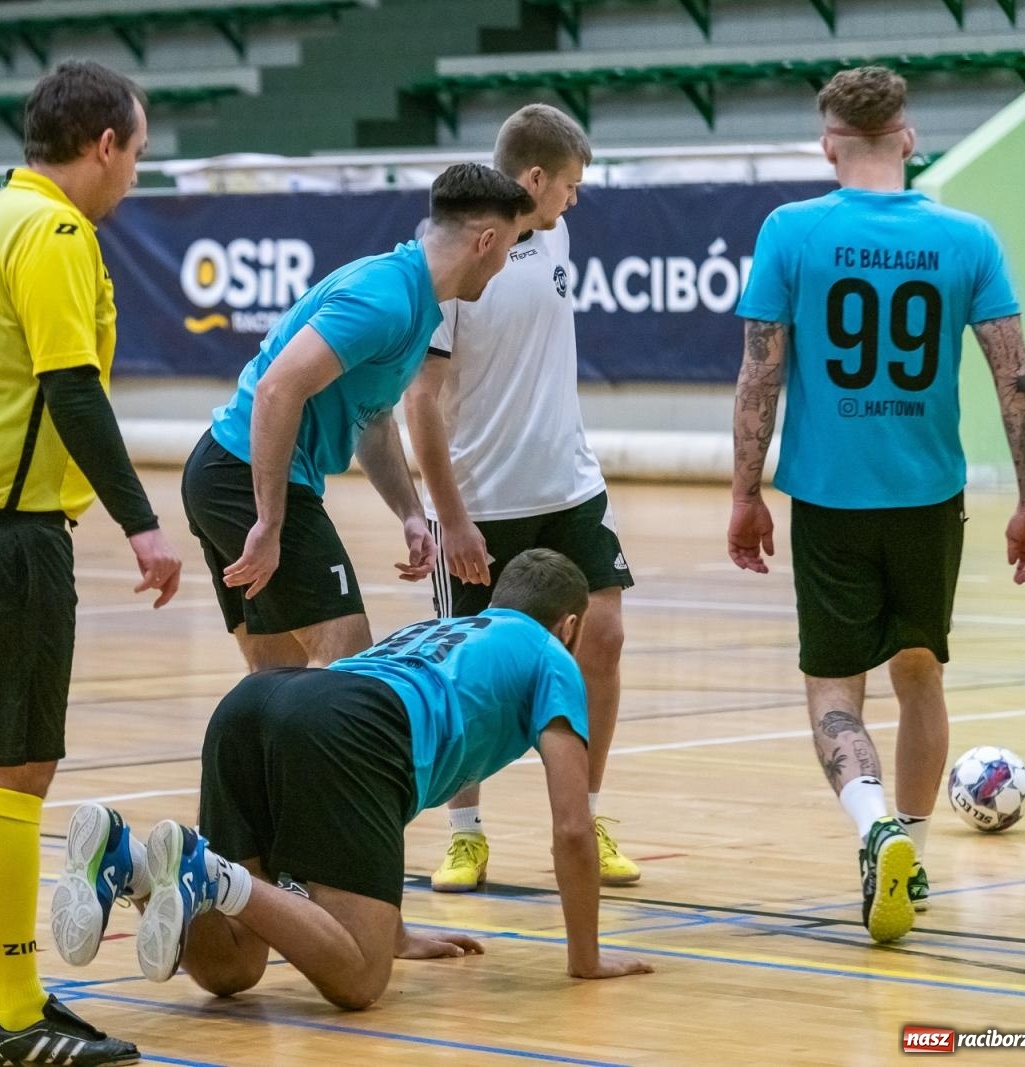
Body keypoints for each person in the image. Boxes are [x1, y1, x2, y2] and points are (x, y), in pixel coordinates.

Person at [0, 60, 182, 1065]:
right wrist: (142, 521)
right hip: (0, 536)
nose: (135, 174)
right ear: (102, 144)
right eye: (135, 152)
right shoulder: (58, 231)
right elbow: (71, 388)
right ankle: (15, 1012)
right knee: (17, 766)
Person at [728, 66, 1025, 944]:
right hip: (927, 496)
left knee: (836, 687)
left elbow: (761, 373)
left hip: (831, 500)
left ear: (829, 143)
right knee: (920, 674)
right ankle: (908, 848)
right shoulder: (966, 237)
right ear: (908, 137)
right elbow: (1014, 376)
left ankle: (873, 826)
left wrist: (745, 491)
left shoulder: (790, 230)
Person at [51, 549, 654, 1010]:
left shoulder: (444, 629)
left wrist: (394, 929)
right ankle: (204, 871)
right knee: (360, 981)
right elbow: (574, 827)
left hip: (256, 703)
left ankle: (128, 862)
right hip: (348, 726)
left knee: (230, 970)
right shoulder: (551, 657)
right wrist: (586, 960)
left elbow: (375, 797)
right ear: (571, 626)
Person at [404, 103, 639, 894]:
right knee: (467, 669)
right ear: (532, 180)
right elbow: (422, 403)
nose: (576, 200)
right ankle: (465, 831)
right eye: (569, 185)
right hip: (481, 502)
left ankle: (590, 814)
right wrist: (451, 516)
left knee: (602, 634)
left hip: (570, 483)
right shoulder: (449, 261)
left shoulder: (558, 231)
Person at [182, 164, 534, 671]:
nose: (506, 262)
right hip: (242, 474)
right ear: (486, 240)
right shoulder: (384, 299)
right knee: (350, 659)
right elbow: (276, 390)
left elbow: (372, 421)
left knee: (278, 677)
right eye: (510, 245)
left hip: (226, 474)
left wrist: (411, 514)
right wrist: (269, 520)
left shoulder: (415, 302)